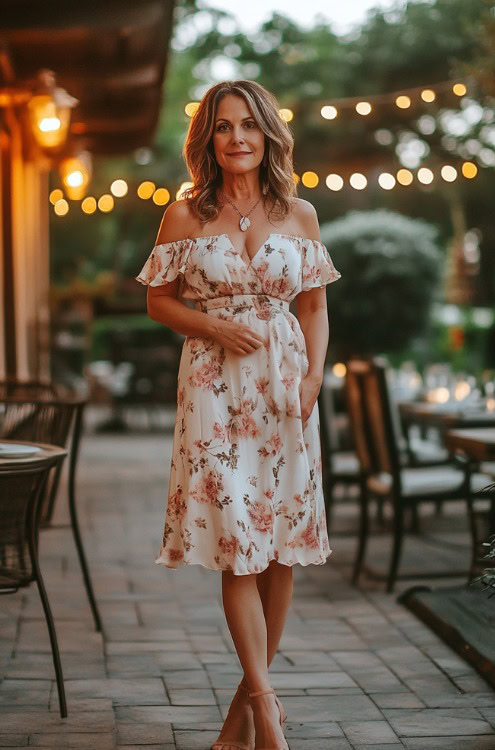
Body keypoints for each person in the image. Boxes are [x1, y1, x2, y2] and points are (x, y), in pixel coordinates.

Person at [136, 80, 341, 750]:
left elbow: (312, 306)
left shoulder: (300, 215)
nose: (237, 139)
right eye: (223, 127)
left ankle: (239, 720)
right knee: (239, 550)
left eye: (248, 125)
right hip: (214, 390)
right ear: (208, 140)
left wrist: (313, 376)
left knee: (279, 547)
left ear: (269, 133)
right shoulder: (185, 214)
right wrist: (216, 329)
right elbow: (159, 303)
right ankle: (269, 712)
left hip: (285, 391)